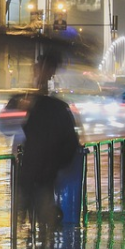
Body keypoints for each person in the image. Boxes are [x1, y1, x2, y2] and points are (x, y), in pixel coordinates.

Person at [16, 51, 81, 230]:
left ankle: (41, 238)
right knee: (37, 213)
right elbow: (71, 142)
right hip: (37, 171)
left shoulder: (52, 107)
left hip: (38, 171)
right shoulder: (30, 102)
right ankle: (42, 238)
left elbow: (69, 142)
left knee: (38, 212)